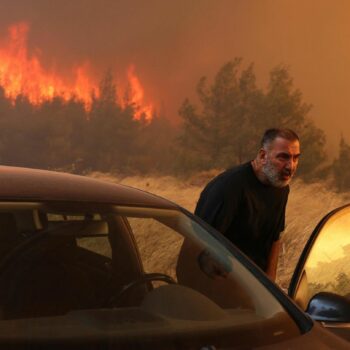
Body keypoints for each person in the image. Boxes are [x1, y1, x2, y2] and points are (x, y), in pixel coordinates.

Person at [194, 128, 301, 281]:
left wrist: (270, 284)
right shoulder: (230, 186)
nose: (291, 166)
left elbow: (275, 238)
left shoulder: (281, 187)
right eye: (283, 157)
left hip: (255, 286)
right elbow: (201, 244)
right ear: (263, 156)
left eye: (295, 158)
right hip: (221, 282)